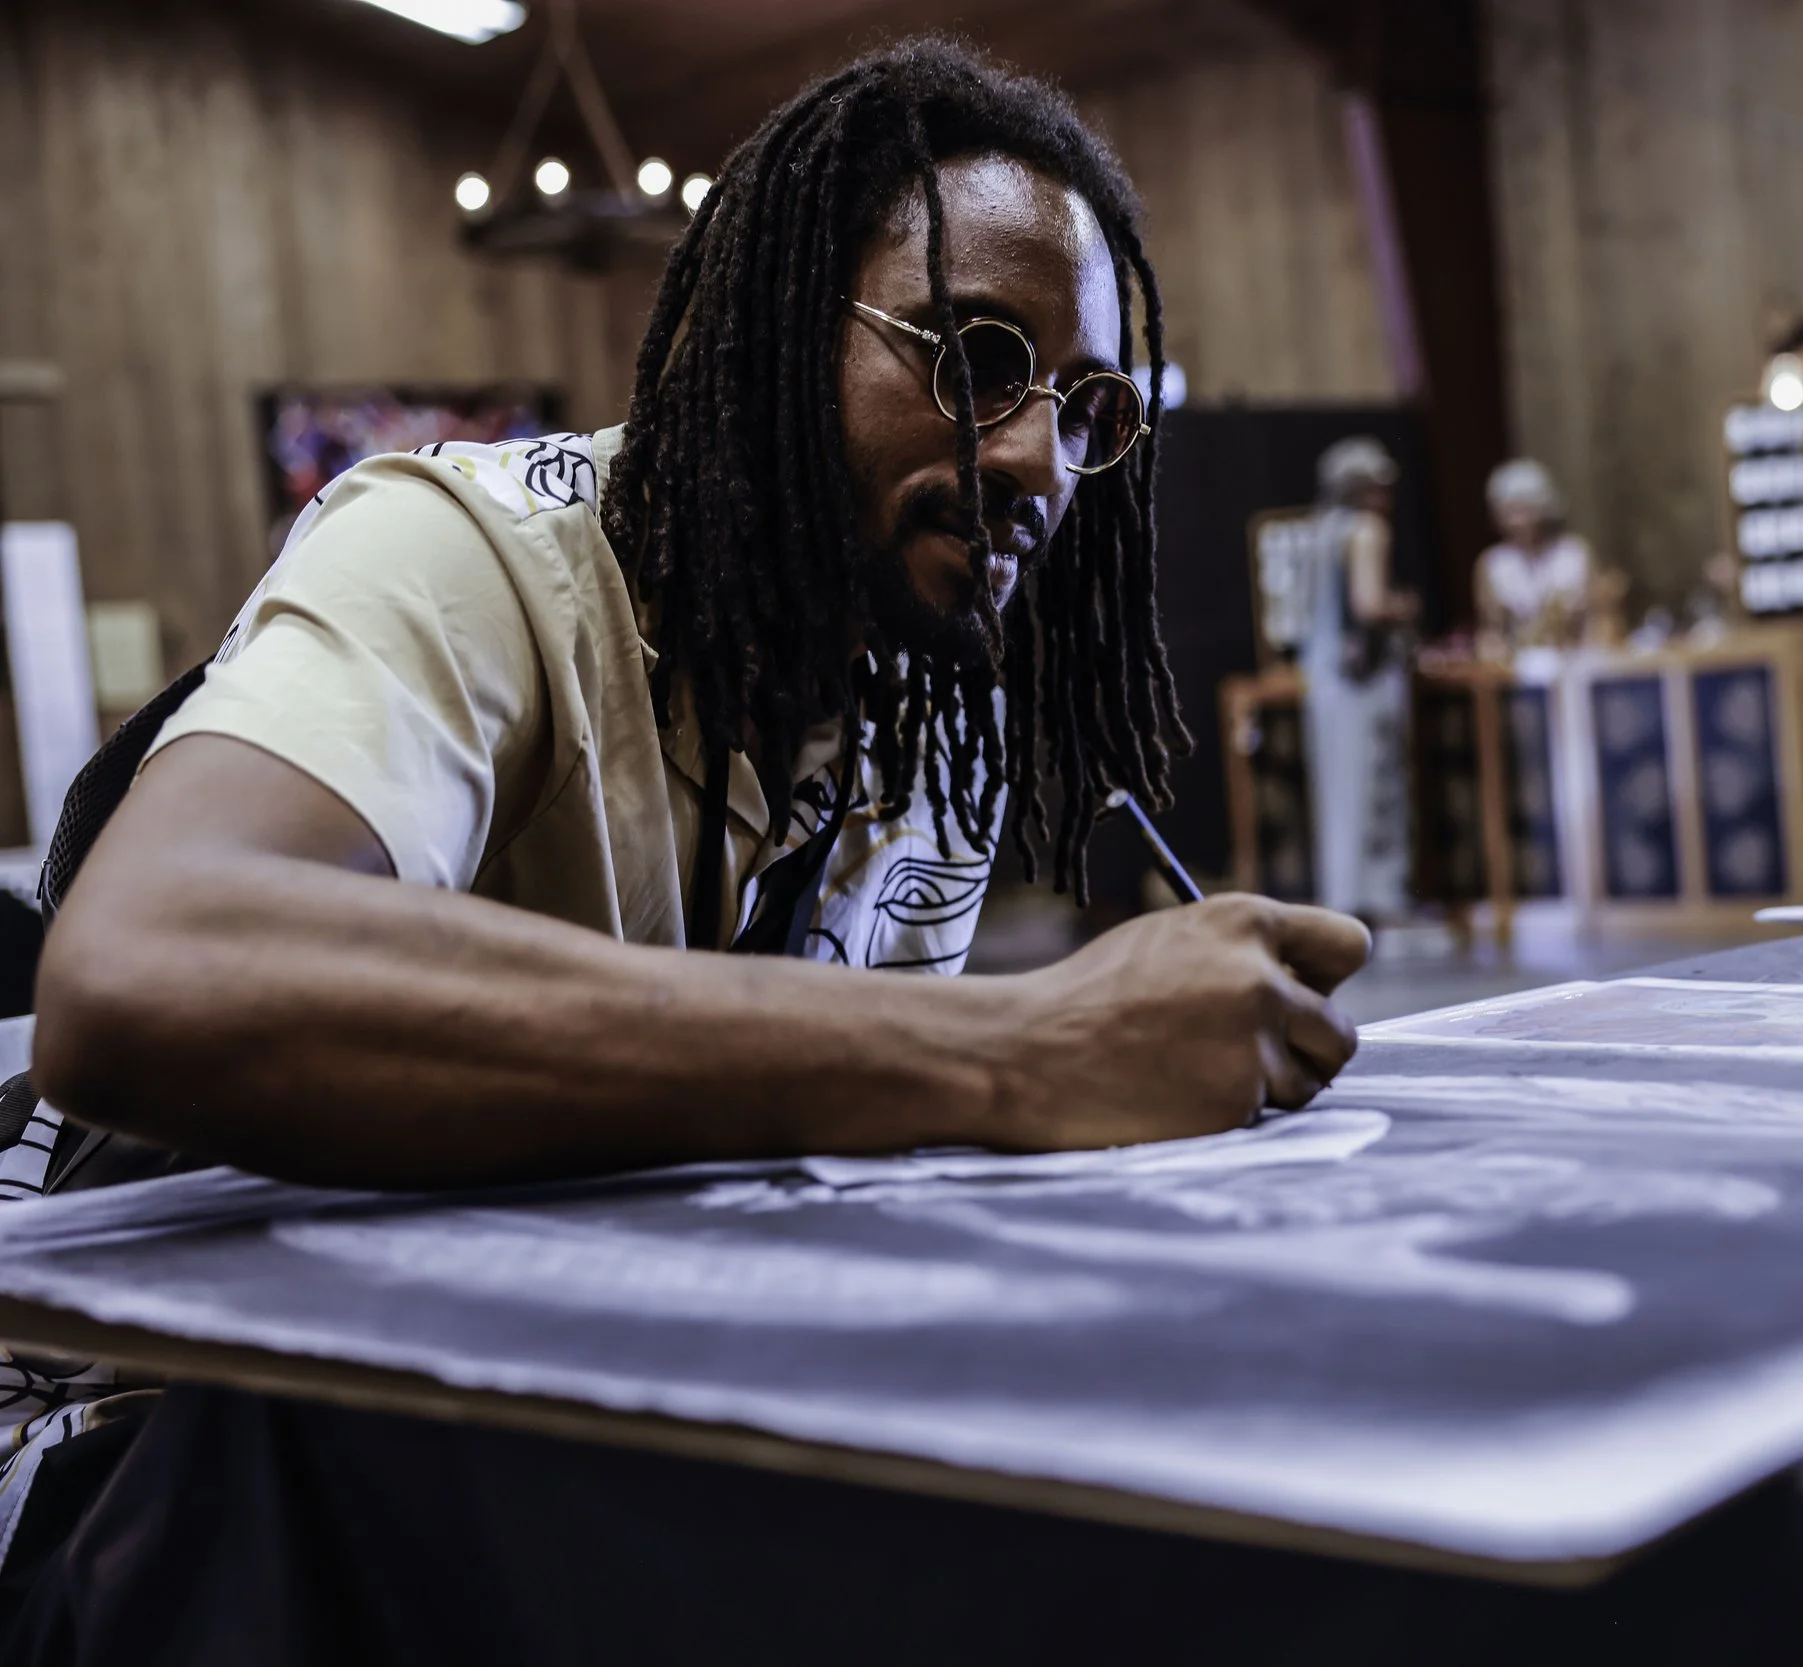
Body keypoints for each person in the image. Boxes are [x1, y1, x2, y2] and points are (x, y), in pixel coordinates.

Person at [29, 45, 1370, 1190]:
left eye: (1087, 410)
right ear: (780, 337)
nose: (1032, 457)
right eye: (974, 360)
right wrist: (1024, 1045)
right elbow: (145, 965)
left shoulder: (936, 706)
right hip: (181, 1411)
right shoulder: (470, 554)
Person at [1298, 437, 1413, 921]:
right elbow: (1369, 603)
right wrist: (1405, 607)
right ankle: (1382, 897)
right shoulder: (1367, 530)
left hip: (1323, 675)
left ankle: (1343, 895)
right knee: (1376, 783)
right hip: (1364, 676)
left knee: (1337, 787)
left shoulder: (1317, 530)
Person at [1474, 458, 1600, 652]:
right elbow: (1492, 629)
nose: (1517, 521)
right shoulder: (1493, 563)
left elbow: (1598, 617)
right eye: (1508, 512)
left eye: (1524, 510)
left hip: (1574, 657)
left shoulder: (1574, 553)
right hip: (1520, 666)